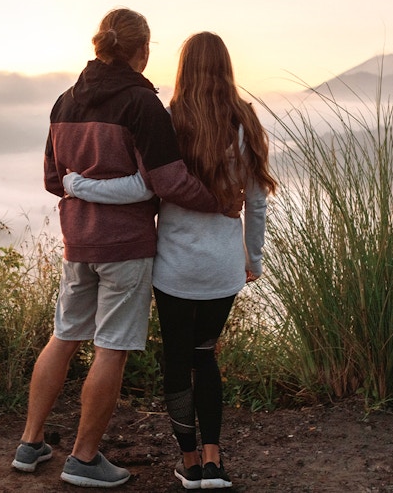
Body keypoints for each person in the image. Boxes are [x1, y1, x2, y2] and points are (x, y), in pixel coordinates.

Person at [11, 11, 238, 488]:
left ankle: (30, 444)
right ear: (144, 51)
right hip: (126, 246)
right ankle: (84, 458)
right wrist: (218, 201)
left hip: (78, 242)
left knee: (64, 335)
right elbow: (169, 180)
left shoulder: (63, 102)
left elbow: (56, 181)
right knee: (111, 348)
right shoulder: (142, 104)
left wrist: (84, 187)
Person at [62, 31, 277, 490]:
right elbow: (255, 203)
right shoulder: (247, 122)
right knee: (206, 356)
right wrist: (252, 257)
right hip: (222, 266)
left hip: (174, 265)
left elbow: (153, 189)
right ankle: (215, 461)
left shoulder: (169, 119)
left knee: (178, 359)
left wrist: (81, 187)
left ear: (183, 68)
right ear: (226, 67)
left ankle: (189, 462)